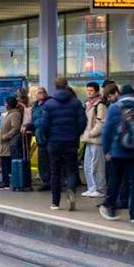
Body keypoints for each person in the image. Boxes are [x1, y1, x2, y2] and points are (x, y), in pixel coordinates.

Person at [36, 77, 87, 211]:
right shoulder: (76, 103)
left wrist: (47, 137)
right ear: (66, 85)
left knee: (55, 172)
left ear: (55, 86)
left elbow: (43, 124)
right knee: (71, 170)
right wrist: (76, 133)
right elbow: (83, 121)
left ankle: (55, 202)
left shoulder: (49, 104)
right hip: (71, 141)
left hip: (54, 142)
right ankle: (71, 190)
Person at [100, 85, 134, 223]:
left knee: (115, 180)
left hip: (117, 151)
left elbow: (107, 131)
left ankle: (111, 209)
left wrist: (106, 150)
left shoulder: (115, 108)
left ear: (121, 94)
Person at [81, 82, 108, 198]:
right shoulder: (87, 104)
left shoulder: (100, 105)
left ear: (97, 91)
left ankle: (100, 189)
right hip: (88, 139)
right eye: (87, 90)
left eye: (91, 90)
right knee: (87, 165)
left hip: (96, 140)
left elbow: (101, 123)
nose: (89, 93)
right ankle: (91, 187)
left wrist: (91, 133)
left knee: (97, 166)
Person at [23, 86, 50, 191]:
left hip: (50, 136)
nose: (41, 94)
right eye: (39, 92)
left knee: (51, 161)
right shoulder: (35, 106)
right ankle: (45, 181)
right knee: (42, 161)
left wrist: (32, 125)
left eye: (43, 92)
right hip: (39, 136)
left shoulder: (49, 104)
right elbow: (34, 119)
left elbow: (44, 120)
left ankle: (53, 182)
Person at [0, 97, 25, 191]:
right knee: (4, 162)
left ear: (9, 105)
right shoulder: (9, 114)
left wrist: (5, 136)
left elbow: (15, 128)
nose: (5, 105)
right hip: (5, 143)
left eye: (6, 103)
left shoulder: (15, 114)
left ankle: (7, 182)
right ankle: (5, 182)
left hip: (10, 142)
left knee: (7, 162)